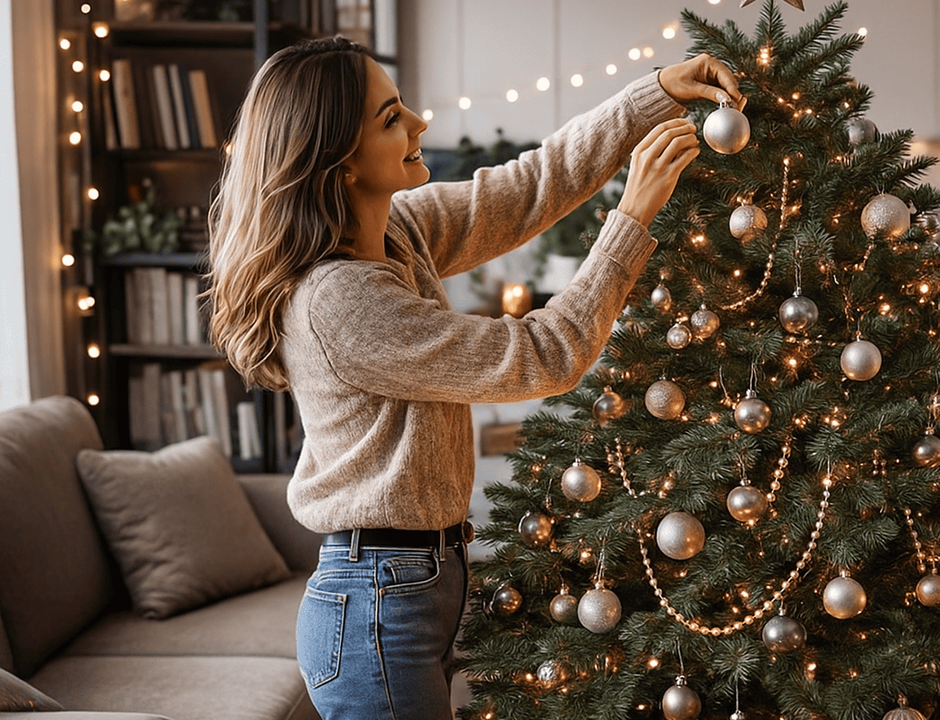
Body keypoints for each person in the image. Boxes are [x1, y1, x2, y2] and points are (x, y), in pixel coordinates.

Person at [205, 35, 744, 720]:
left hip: (421, 581)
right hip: (380, 603)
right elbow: (545, 355)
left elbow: (531, 186)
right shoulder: (341, 301)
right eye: (391, 116)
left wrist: (656, 91)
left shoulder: (394, 229)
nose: (419, 123)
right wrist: (632, 217)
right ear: (341, 162)